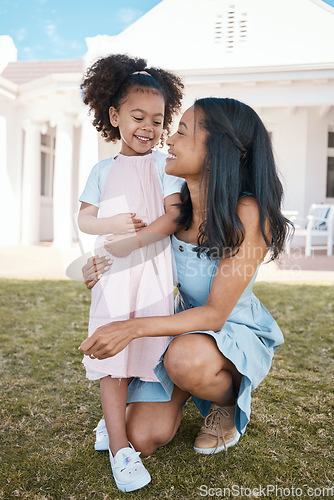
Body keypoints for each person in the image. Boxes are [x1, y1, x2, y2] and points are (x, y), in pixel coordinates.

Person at [79, 97, 290, 473]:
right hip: (182, 326)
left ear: (217, 150)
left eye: (181, 132)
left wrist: (130, 329)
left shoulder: (248, 213)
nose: (168, 141)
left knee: (185, 359)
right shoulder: (177, 211)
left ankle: (226, 400)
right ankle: (182, 389)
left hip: (228, 329)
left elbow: (214, 314)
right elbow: (139, 254)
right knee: (141, 436)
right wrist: (99, 267)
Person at [78, 53, 184, 492]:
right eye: (138, 116)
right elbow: (85, 220)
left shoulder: (165, 167)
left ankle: (117, 421)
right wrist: (111, 229)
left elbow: (172, 219)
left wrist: (129, 241)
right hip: (114, 276)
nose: (148, 127)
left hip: (153, 273)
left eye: (158, 120)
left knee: (145, 352)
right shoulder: (102, 170)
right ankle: (121, 448)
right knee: (113, 362)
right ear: (114, 115)